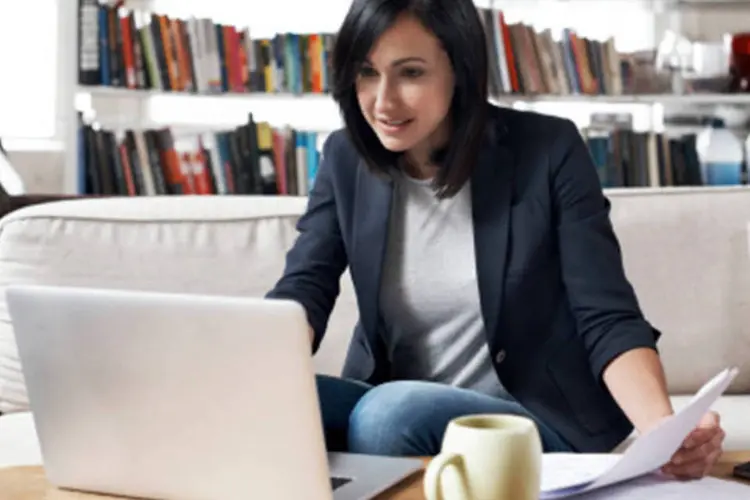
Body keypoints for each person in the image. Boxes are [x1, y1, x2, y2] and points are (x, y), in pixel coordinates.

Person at [266, 0, 725, 479]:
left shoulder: (548, 150)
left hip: (528, 414)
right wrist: (245, 369)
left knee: (386, 416)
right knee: (264, 400)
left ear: (460, 70)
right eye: (366, 72)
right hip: (390, 396)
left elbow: (606, 314)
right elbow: (304, 287)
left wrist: (661, 431)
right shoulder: (345, 157)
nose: (383, 102)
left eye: (411, 73)